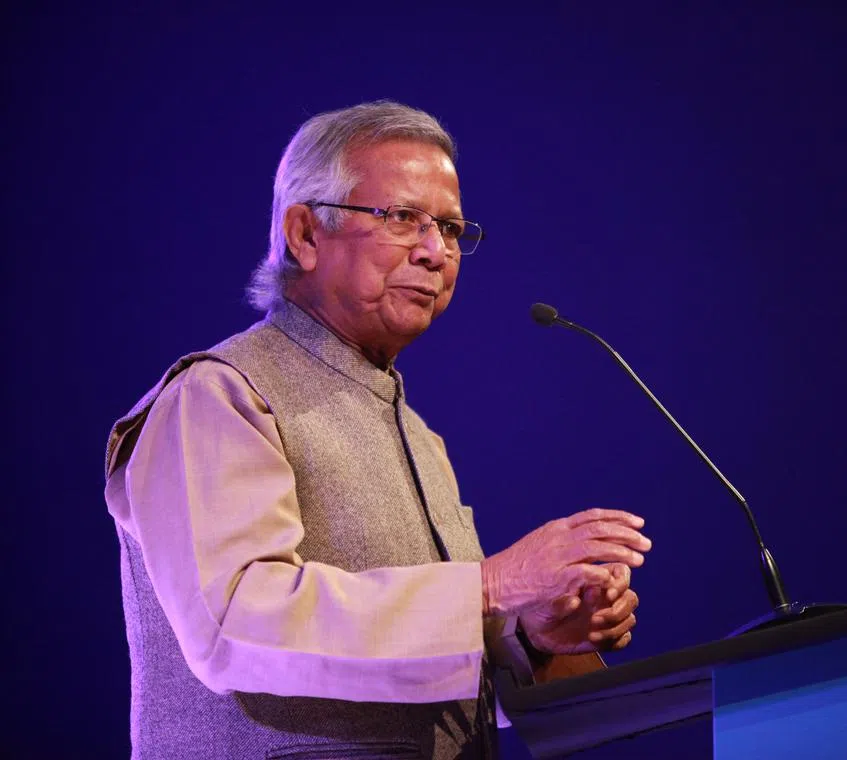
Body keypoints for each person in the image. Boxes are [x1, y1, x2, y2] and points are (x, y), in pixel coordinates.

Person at [103, 100, 651, 760]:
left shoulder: (417, 434)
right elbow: (237, 622)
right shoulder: (219, 394)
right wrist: (492, 584)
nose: (435, 251)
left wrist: (529, 632)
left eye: (450, 228)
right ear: (306, 234)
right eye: (402, 218)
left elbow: (415, 655)